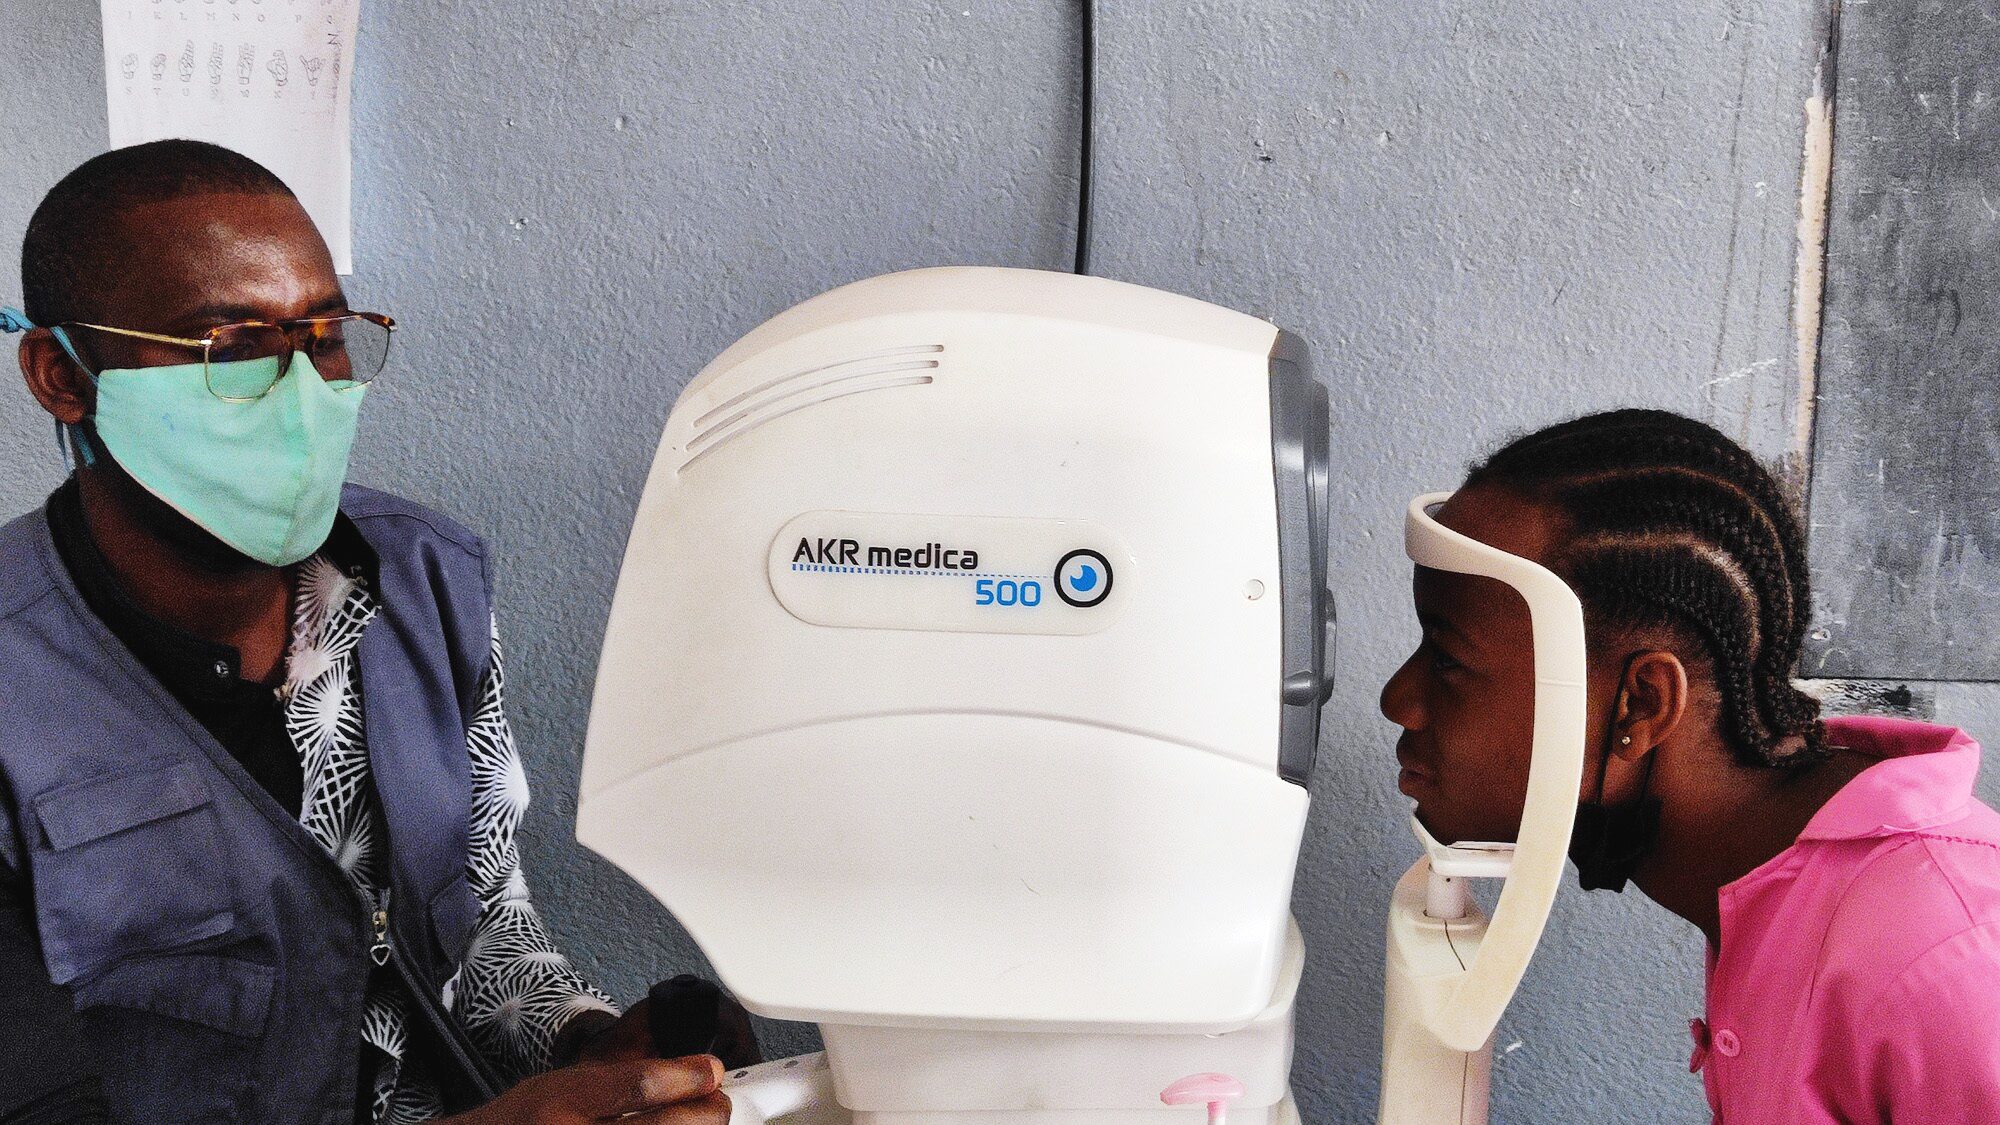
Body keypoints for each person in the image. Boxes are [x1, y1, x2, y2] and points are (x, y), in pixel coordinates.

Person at [0, 141, 746, 1124]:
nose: (305, 391)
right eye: (232, 347)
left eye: (326, 335)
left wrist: (586, 1044)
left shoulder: (427, 581)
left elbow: (482, 929)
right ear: (64, 375)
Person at [1381, 408, 2000, 1121]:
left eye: (1449, 660)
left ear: (1640, 706)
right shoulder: (1780, 892)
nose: (1399, 699)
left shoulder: (1944, 954)